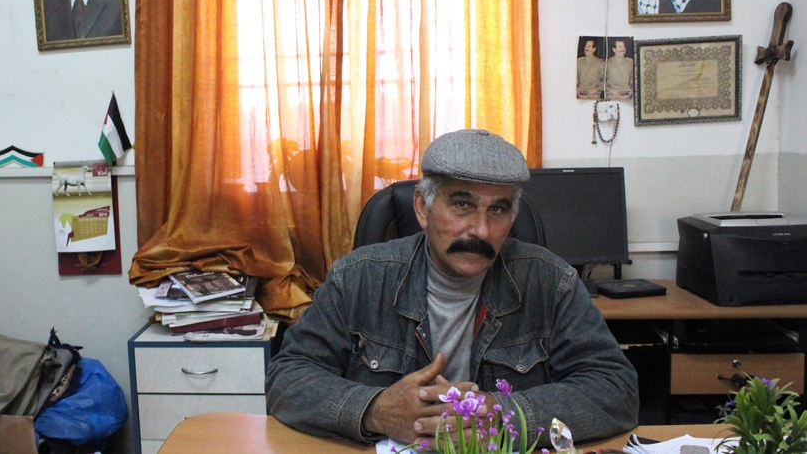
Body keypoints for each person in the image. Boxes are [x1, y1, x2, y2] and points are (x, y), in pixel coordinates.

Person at [265, 129, 638, 447]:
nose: (481, 230)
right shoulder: (357, 278)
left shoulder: (550, 282)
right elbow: (288, 377)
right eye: (462, 204)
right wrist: (376, 409)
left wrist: (502, 414)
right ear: (422, 208)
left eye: (497, 210)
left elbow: (615, 390)